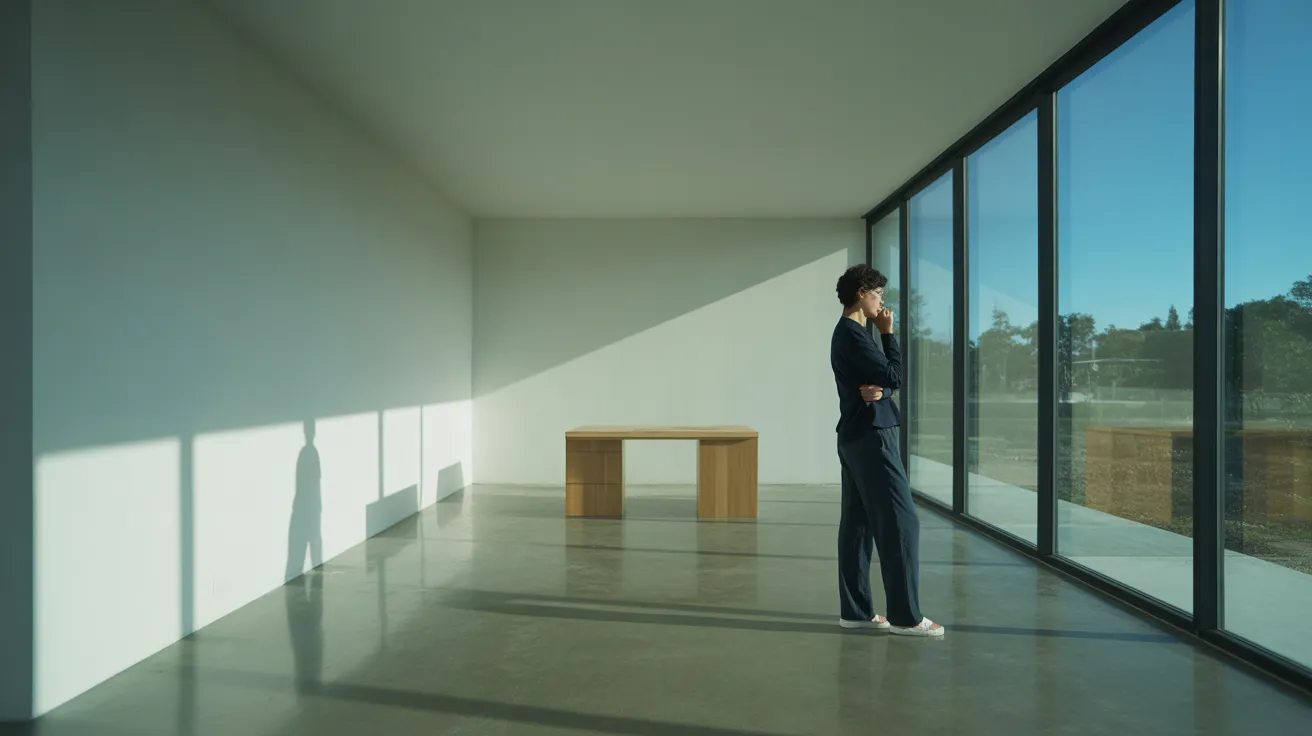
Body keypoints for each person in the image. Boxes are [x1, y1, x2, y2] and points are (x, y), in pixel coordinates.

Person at [830, 264, 943, 637]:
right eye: (878, 294)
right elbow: (893, 375)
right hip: (872, 437)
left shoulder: (847, 334)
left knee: (859, 526)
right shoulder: (857, 333)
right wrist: (888, 333)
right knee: (901, 521)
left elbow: (882, 385)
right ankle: (906, 618)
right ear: (862, 294)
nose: (882, 302)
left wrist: (885, 390)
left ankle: (857, 612)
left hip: (854, 434)